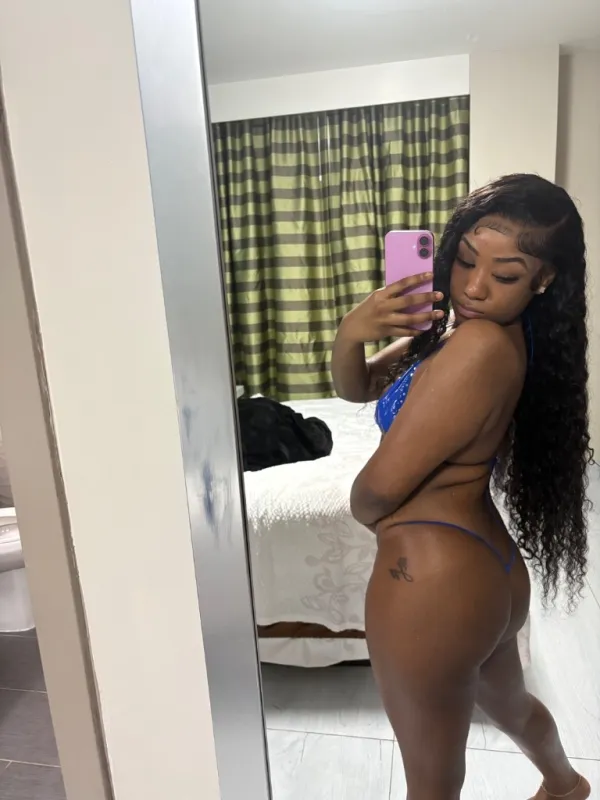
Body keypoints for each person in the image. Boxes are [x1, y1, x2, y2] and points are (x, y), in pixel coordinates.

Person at [331, 174, 593, 800]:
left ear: (543, 279)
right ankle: (565, 786)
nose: (474, 287)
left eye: (505, 275)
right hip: (489, 573)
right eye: (466, 261)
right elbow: (358, 386)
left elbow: (375, 490)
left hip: (433, 584)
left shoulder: (475, 345)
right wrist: (352, 332)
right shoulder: (480, 332)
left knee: (430, 776)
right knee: (511, 706)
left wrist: (372, 516)